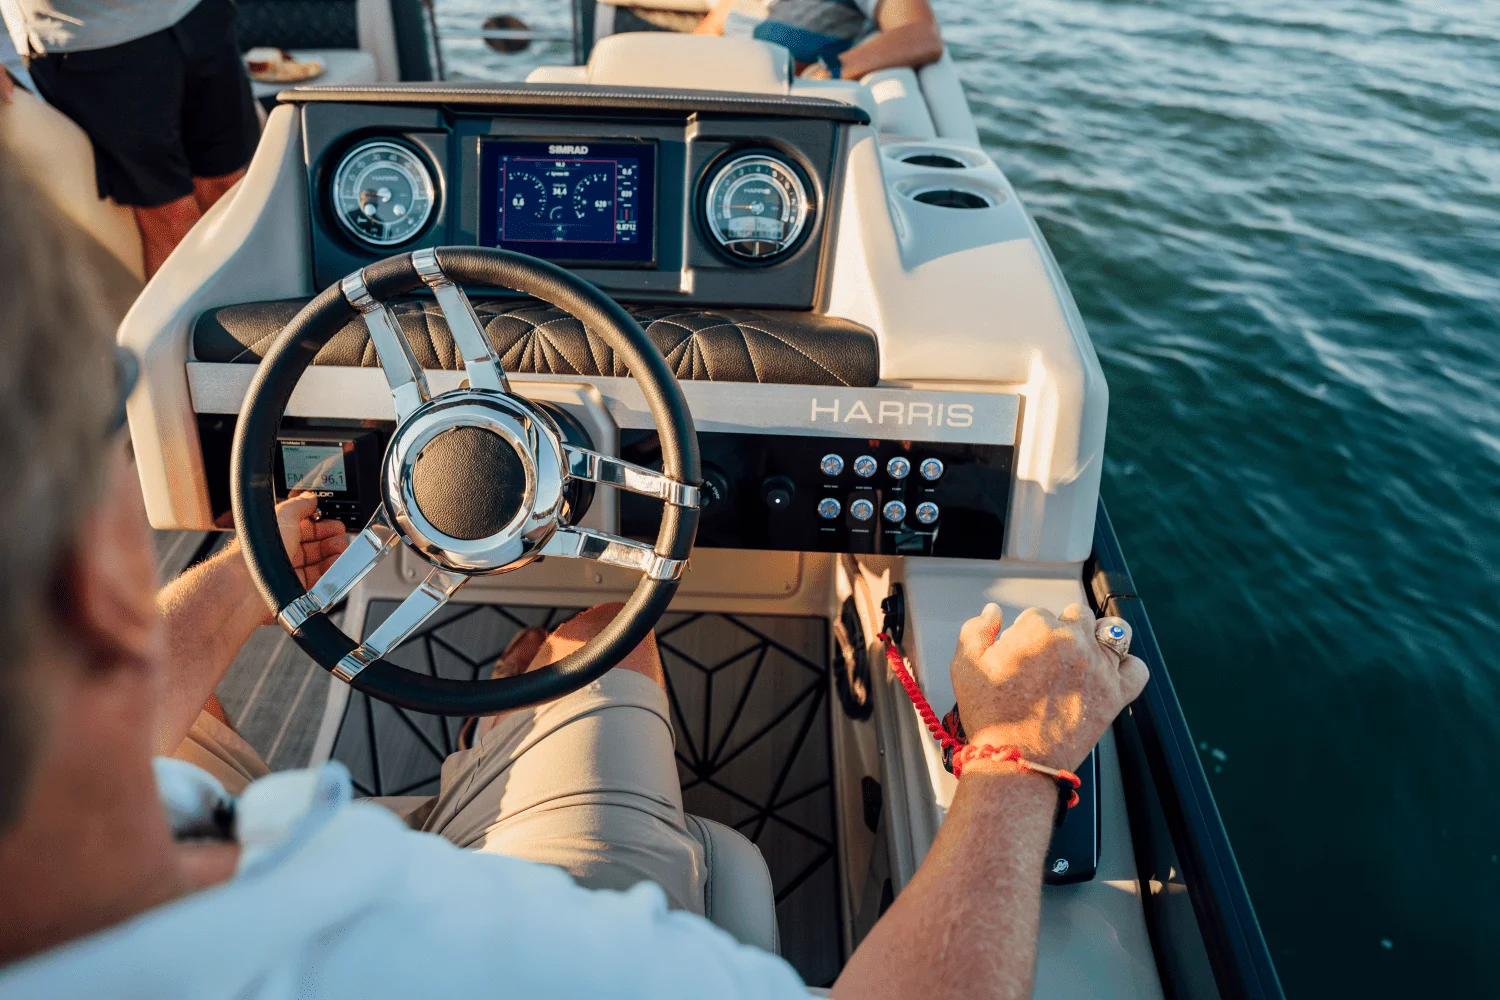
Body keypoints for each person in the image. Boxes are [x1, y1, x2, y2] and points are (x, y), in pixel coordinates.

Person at [0, 149, 1149, 998]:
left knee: (192, 708)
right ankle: (528, 696)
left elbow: (124, 698)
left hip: (235, 834)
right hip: (507, 889)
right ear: (92, 584)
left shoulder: (79, 807)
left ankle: (485, 734)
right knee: (603, 641)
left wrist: (252, 582)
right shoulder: (534, 966)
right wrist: (1015, 759)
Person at [0, 0, 261, 277]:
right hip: (88, 39)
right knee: (172, 219)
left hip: (198, 12)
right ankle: (190, 308)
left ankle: (247, 300)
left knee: (229, 188)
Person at [694, 0, 943, 81]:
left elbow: (921, 34)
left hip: (777, 107)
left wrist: (828, 71)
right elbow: (707, 34)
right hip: (712, 93)